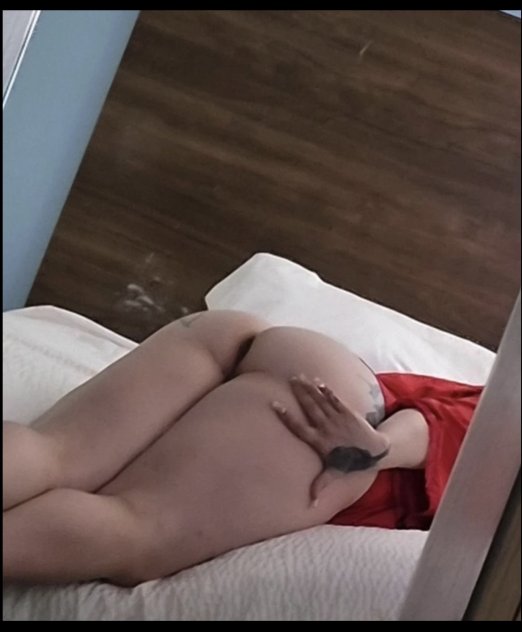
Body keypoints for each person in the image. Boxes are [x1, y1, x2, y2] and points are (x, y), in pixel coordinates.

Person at [3, 310, 483, 587]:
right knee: (136, 529)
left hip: (251, 338)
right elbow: (466, 439)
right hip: (334, 419)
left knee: (54, 454)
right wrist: (378, 449)